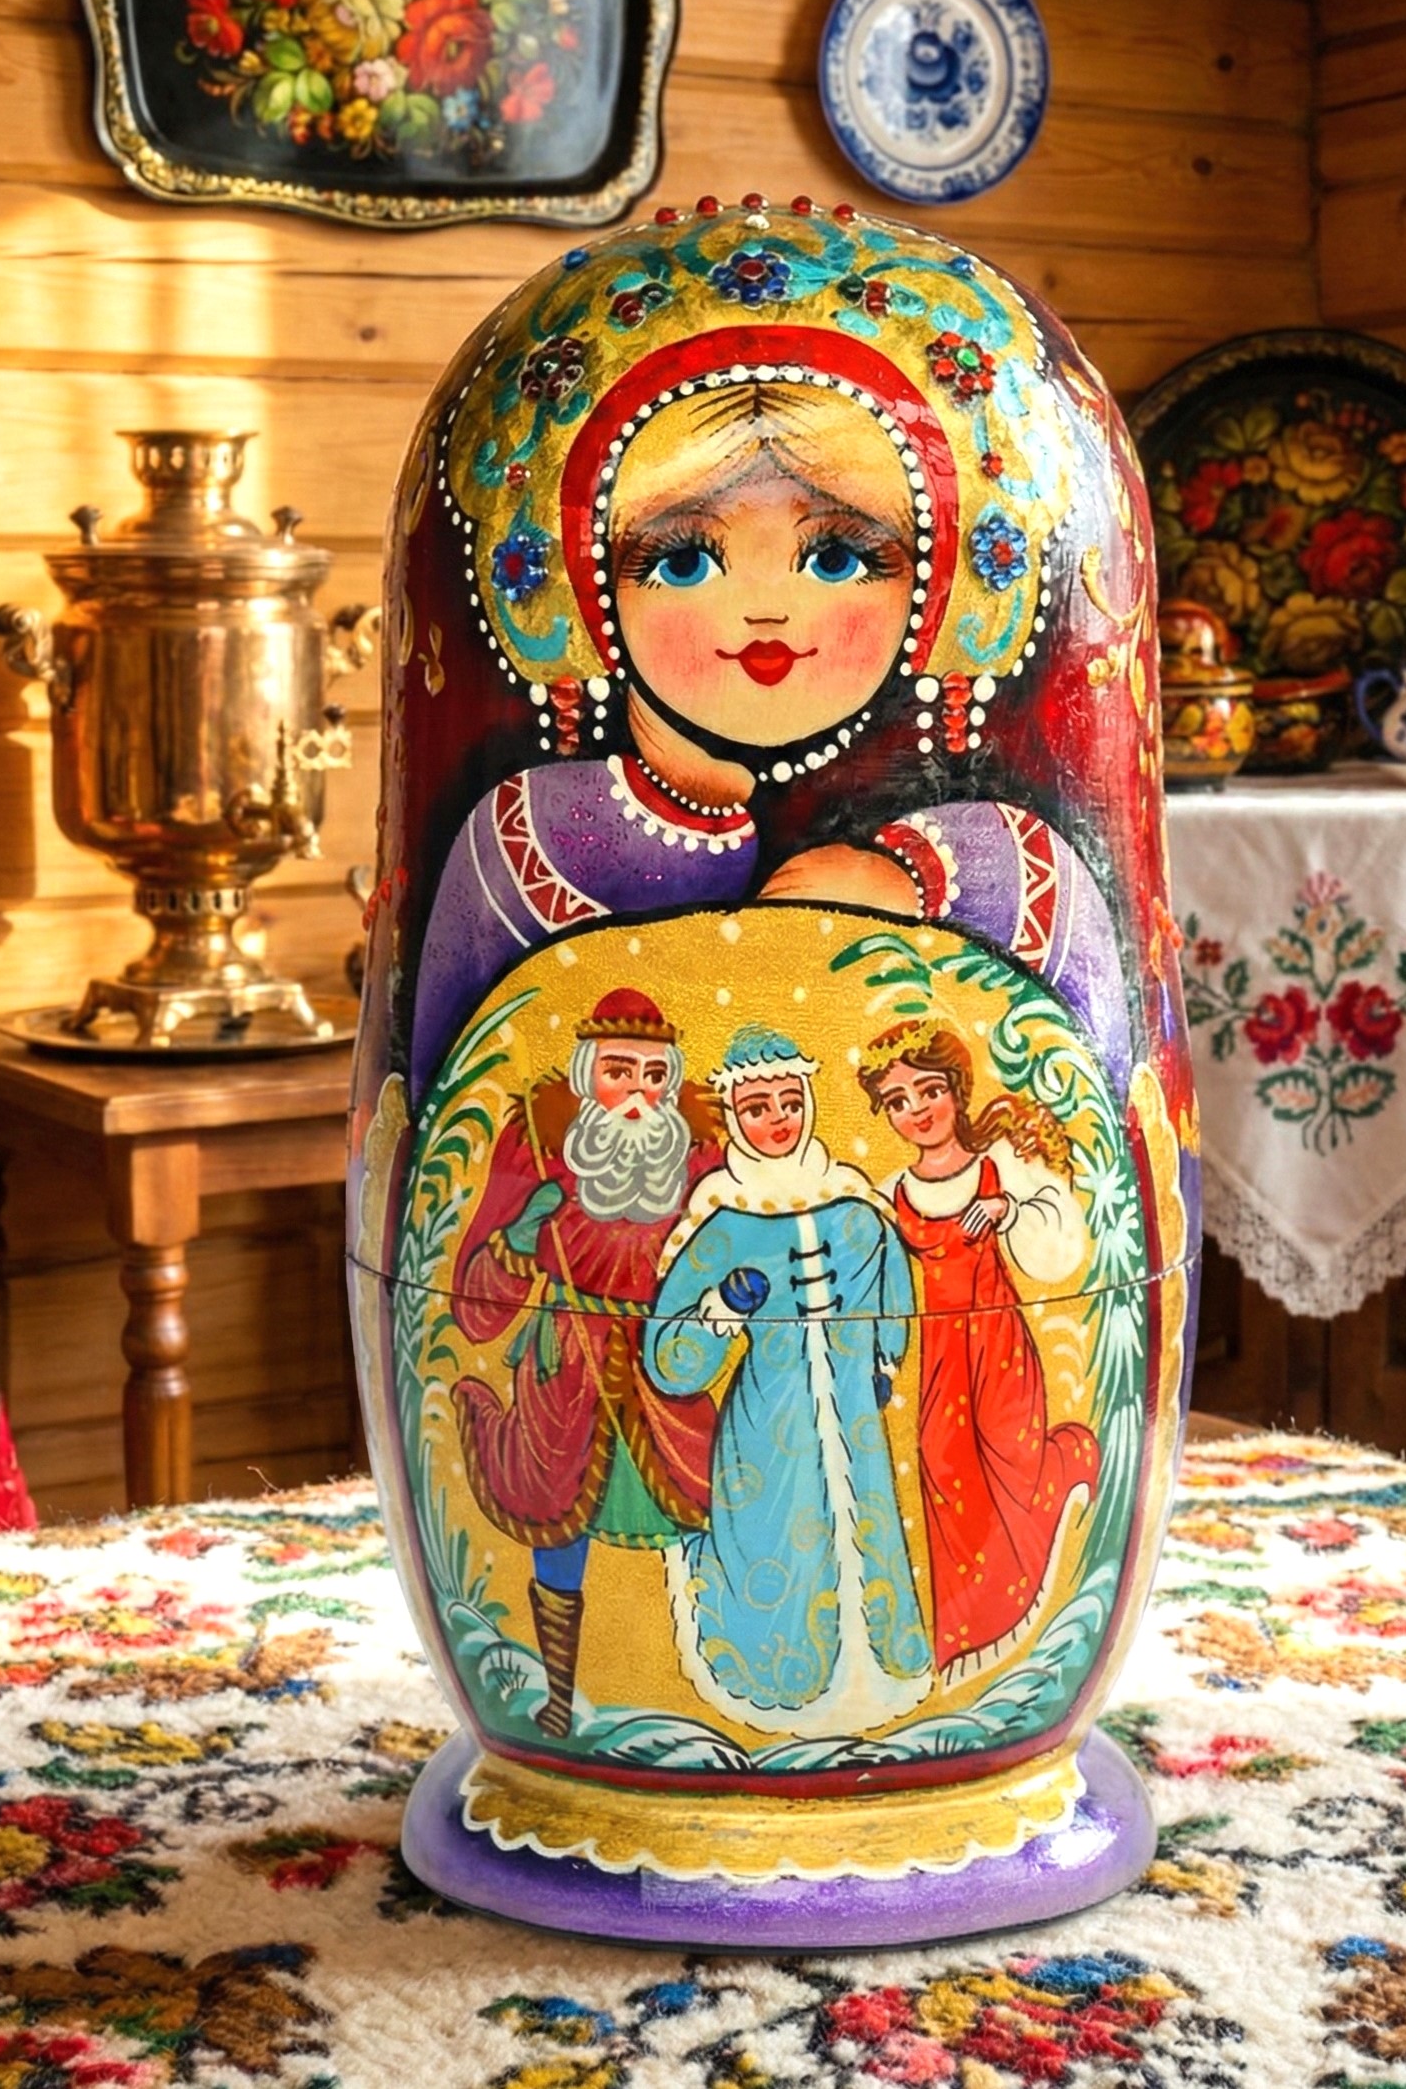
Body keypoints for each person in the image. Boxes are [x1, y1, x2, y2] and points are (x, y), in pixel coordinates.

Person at [404, 203, 1134, 1106]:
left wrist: (906, 881)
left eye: (838, 557)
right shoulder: (533, 839)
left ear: (943, 590)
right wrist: (684, 825)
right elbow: (441, 1097)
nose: (764, 611)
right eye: (682, 560)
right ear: (583, 594)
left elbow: (1098, 1051)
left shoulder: (997, 855)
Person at [447, 989, 723, 1738]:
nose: (636, 1093)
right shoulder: (537, 1152)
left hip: (666, 1369)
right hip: (563, 1368)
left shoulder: (702, 1157)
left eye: (653, 1076)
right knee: (556, 1526)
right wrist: (516, 1240)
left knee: (707, 1508)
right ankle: (561, 1698)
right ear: (584, 1074)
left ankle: (705, 1692)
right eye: (618, 1071)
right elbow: (473, 1305)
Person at [643, 1027, 933, 1735]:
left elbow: (894, 1290)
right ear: (733, 1117)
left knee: (866, 1532)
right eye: (757, 1108)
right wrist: (719, 1310)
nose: (778, 1120)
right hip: (765, 1429)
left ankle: (876, 1682)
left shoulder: (852, 1203)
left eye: (789, 1102)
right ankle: (779, 1687)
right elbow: (667, 1358)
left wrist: (880, 1363)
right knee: (776, 1544)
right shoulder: (721, 1220)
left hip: (855, 1421)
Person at [858, 1017, 1100, 1691]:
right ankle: (967, 1634)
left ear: (957, 1090)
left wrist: (1009, 1210)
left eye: (929, 1090)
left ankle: (1067, 1459)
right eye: (897, 1100)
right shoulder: (891, 1193)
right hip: (940, 1357)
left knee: (1012, 1456)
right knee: (943, 1467)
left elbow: (1063, 1245)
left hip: (998, 1344)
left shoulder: (1001, 1168)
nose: (916, 1110)